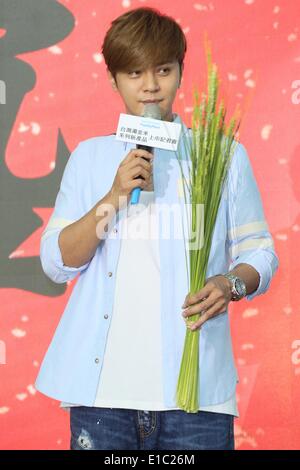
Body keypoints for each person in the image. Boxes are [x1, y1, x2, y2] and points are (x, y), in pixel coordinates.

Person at [35, 7, 279, 450]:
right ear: (113, 80)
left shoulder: (222, 154)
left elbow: (260, 253)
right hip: (103, 395)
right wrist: (113, 196)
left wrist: (230, 284)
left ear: (181, 73)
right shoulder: (91, 158)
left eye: (163, 70)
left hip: (196, 395)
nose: (150, 86)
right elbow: (57, 262)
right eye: (134, 73)